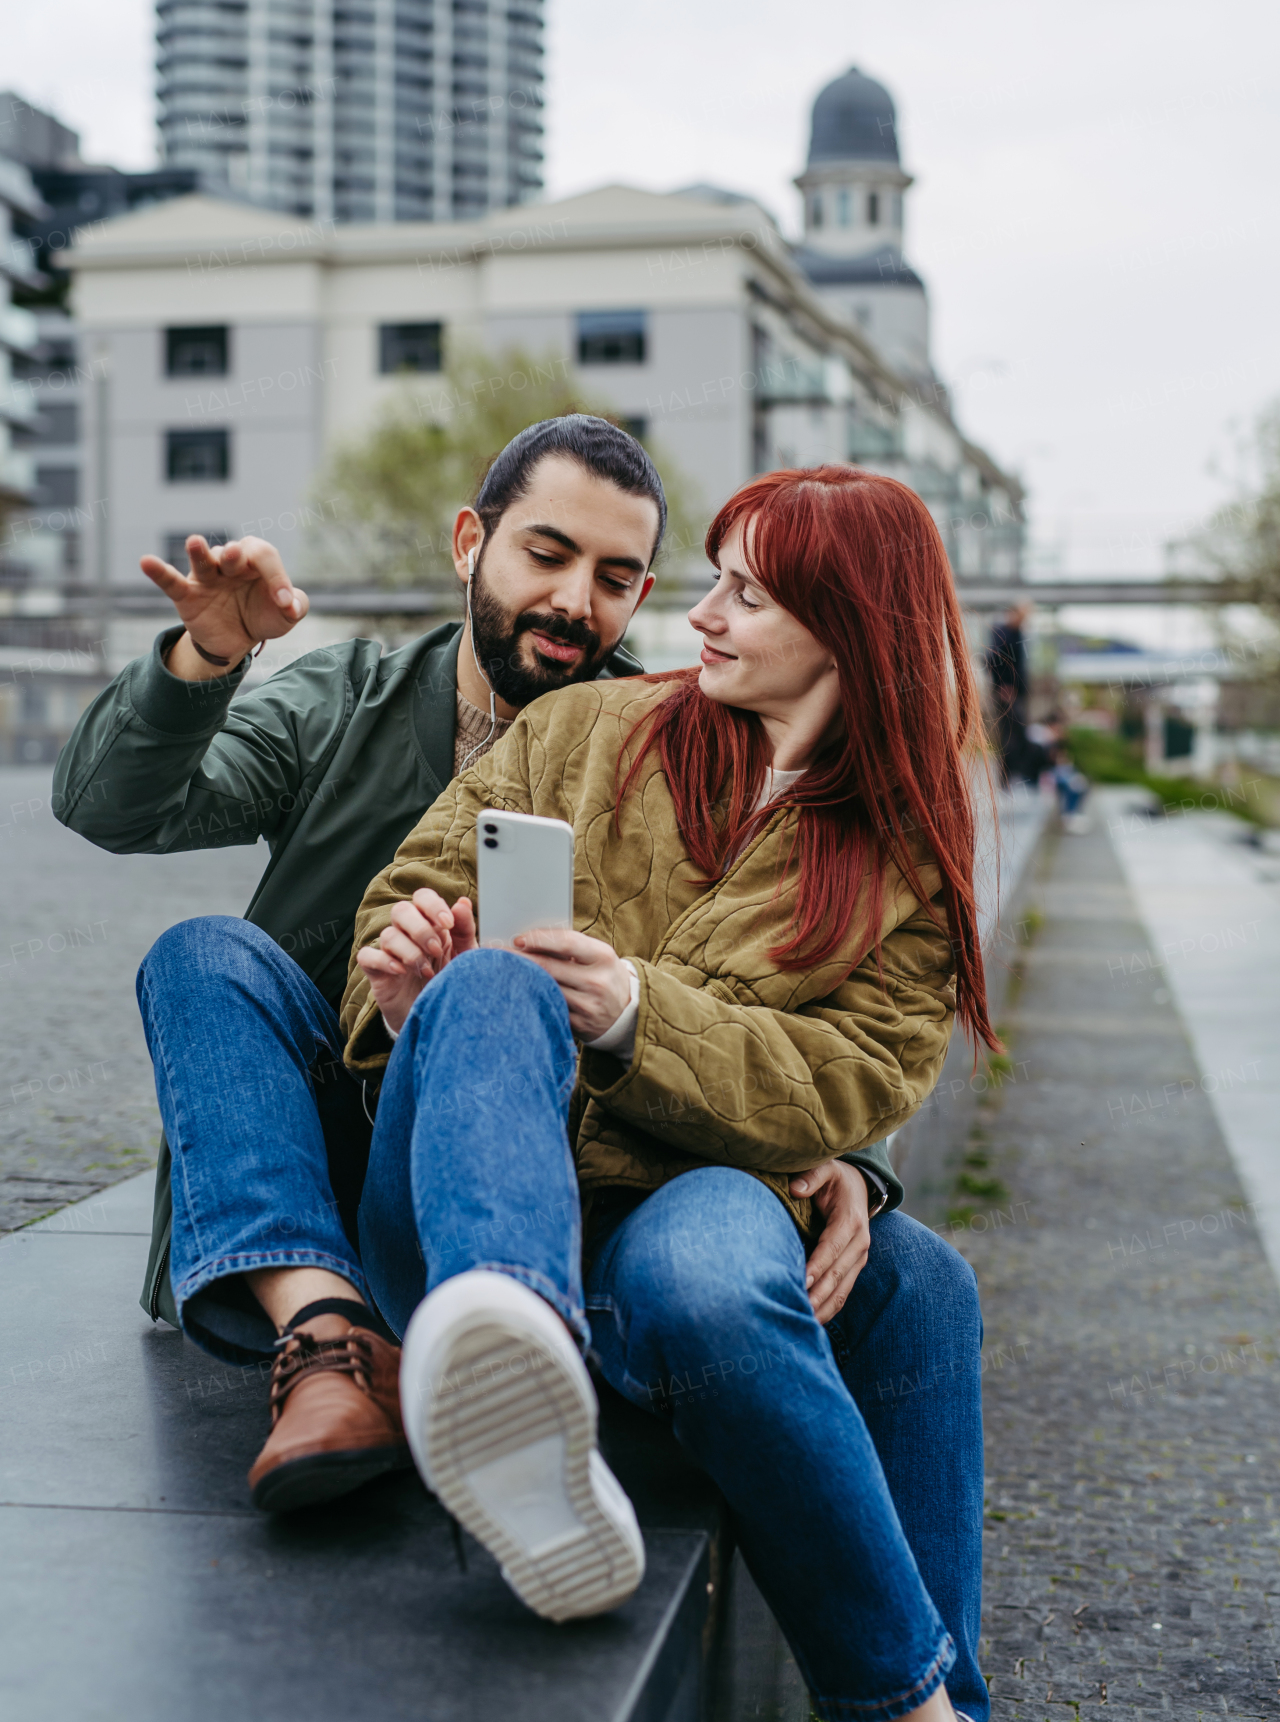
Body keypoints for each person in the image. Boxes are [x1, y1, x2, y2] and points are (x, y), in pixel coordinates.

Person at [54, 417, 899, 1515]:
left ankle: (490, 1336)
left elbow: (796, 943)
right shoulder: (339, 703)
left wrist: (854, 1161)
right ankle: (327, 1337)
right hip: (330, 1148)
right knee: (202, 956)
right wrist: (206, 657)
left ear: (640, 598)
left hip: (550, 1181)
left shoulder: (677, 734)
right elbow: (112, 806)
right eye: (544, 555)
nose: (572, 602)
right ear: (469, 544)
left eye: (613, 577)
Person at [336, 465, 994, 1722]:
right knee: (493, 990)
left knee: (909, 1285)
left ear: (845, 624)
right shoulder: (580, 731)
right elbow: (389, 907)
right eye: (712, 583)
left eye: (743, 594)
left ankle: (932, 1704)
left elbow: (856, 1077)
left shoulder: (904, 852)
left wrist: (635, 1013)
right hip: (471, 1198)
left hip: (676, 1206)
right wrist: (408, 979)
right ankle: (503, 1356)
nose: (697, 616)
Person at [984, 598, 1032, 786]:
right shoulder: (1002, 633)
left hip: (1017, 691)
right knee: (1009, 735)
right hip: (1006, 692)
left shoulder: (1017, 632)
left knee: (1017, 733)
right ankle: (1006, 776)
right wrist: (1003, 686)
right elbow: (992, 660)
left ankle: (1013, 774)